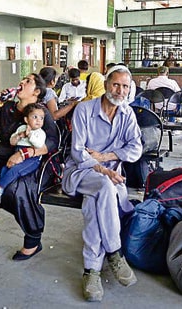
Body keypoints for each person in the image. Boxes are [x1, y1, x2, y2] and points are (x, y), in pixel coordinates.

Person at [61, 65, 143, 302]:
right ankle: (115, 253)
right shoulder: (84, 110)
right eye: (116, 84)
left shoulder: (127, 114)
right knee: (105, 186)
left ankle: (92, 270)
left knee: (94, 202)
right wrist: (100, 167)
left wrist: (107, 157)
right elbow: (78, 152)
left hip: (107, 175)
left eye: (125, 86)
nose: (120, 90)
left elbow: (135, 148)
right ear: (106, 85)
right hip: (80, 172)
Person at [0, 73, 60, 260]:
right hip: (3, 156)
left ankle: (33, 240)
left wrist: (25, 153)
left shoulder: (40, 113)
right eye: (23, 79)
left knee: (17, 191)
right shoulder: (8, 107)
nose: (22, 82)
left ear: (37, 92)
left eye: (28, 81)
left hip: (32, 160)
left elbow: (52, 141)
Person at [0, 103, 47, 199]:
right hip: (16, 152)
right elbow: (12, 142)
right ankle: (0, 190)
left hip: (32, 159)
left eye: (41, 118)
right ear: (26, 119)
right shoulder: (21, 128)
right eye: (35, 117)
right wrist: (18, 135)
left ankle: (0, 188)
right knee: (5, 168)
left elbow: (39, 145)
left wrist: (30, 135)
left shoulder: (40, 132)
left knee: (15, 170)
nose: (38, 120)